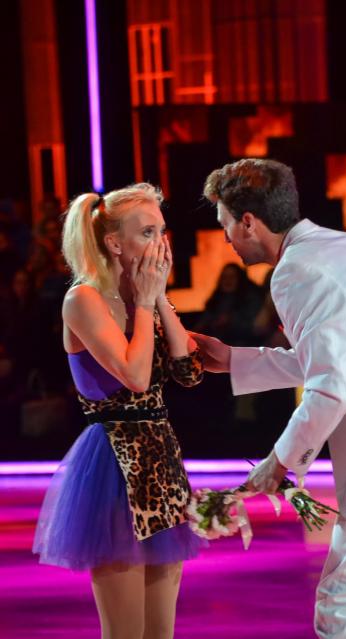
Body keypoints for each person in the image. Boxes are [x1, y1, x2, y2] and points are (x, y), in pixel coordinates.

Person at [192, 158, 346, 638]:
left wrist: (279, 461)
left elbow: (329, 387)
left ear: (249, 222)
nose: (226, 239)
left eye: (225, 224)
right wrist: (235, 361)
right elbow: (337, 360)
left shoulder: (296, 270)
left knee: (343, 604)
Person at [33, 183, 205, 639]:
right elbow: (136, 376)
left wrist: (158, 298)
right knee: (127, 632)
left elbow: (189, 372)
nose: (161, 242)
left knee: (160, 632)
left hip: (161, 460)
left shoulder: (144, 298)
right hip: (115, 464)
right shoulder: (83, 299)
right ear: (113, 242)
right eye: (148, 232)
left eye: (162, 230)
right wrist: (146, 302)